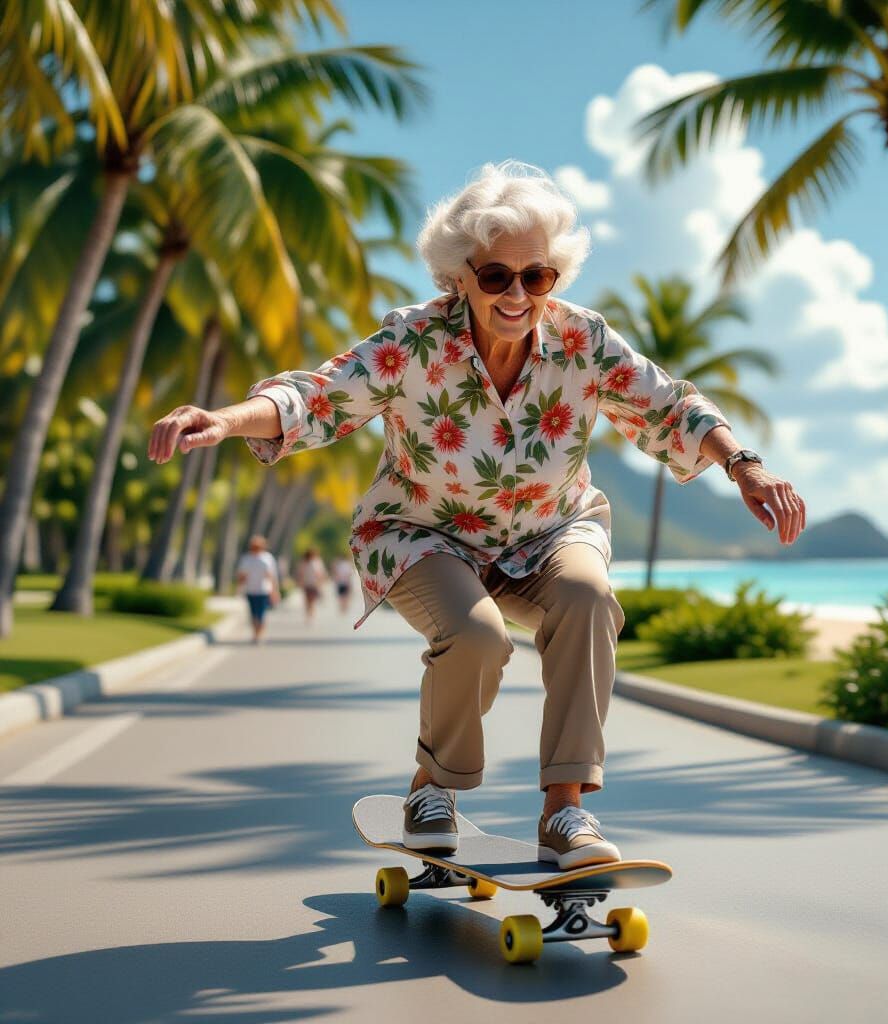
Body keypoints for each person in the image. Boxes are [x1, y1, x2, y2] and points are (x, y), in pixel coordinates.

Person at [147, 161, 807, 869]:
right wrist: (225, 419)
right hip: (421, 534)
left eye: (537, 276)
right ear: (460, 276)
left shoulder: (583, 340)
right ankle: (433, 789)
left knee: (589, 598)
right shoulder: (413, 342)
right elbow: (317, 397)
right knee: (476, 635)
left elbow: (670, 406)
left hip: (552, 530)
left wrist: (744, 465)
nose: (518, 295)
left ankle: (565, 811)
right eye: (497, 276)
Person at [235, 535, 280, 645]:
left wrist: (274, 591)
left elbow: (272, 576)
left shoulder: (267, 558)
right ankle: (256, 633)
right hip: (251, 590)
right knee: (253, 613)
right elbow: (242, 576)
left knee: (261, 613)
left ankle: (259, 634)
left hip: (263, 590)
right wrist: (239, 587)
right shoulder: (247, 559)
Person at [295, 547, 327, 624]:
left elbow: (320, 573)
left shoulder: (317, 562)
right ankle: (309, 615)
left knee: (311, 601)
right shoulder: (304, 562)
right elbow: (300, 573)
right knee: (307, 601)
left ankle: (311, 616)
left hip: (313, 584)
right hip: (307, 584)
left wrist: (320, 583)